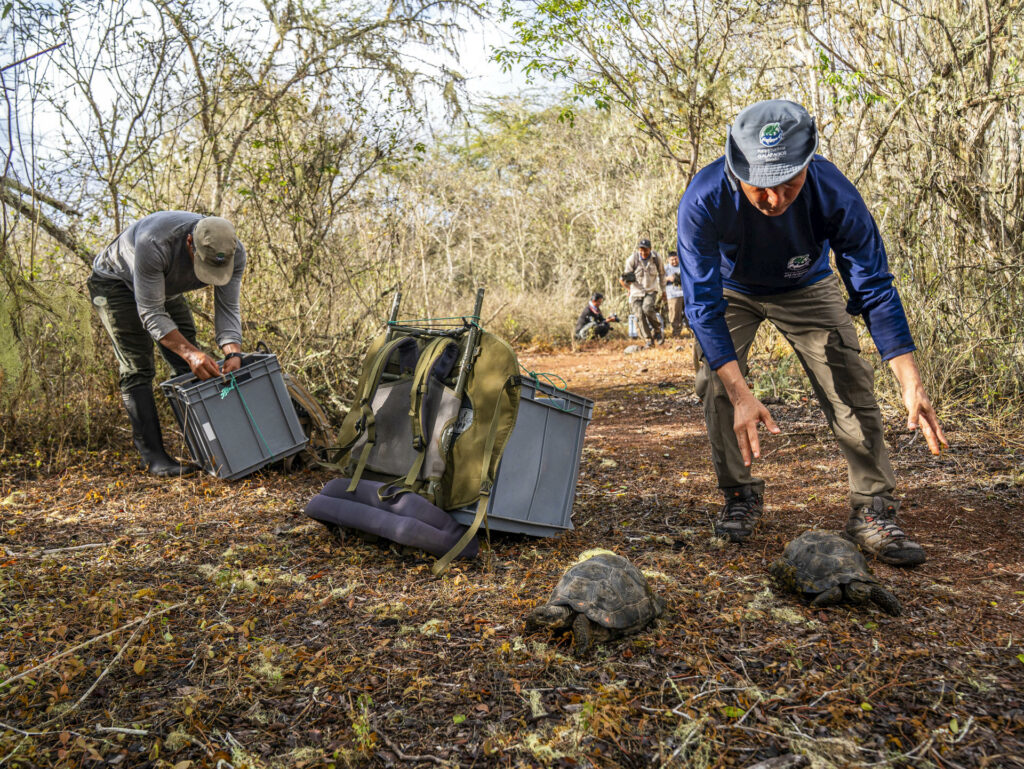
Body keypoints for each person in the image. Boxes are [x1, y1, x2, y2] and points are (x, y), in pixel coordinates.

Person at [676, 100, 947, 566]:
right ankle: (740, 494)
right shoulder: (703, 198)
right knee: (718, 384)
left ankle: (872, 507)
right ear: (736, 166)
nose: (775, 200)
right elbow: (702, 304)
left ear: (807, 165)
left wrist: (910, 380)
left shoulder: (834, 192)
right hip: (731, 288)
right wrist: (742, 392)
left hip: (806, 284)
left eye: (789, 184)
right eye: (761, 186)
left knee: (848, 378)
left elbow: (874, 285)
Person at [88, 211, 247, 477]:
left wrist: (232, 351)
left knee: (188, 362)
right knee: (137, 366)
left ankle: (209, 446)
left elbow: (228, 307)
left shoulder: (234, 251)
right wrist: (191, 353)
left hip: (165, 287)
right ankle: (154, 459)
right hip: (116, 282)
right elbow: (151, 312)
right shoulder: (155, 243)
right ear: (189, 243)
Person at [619, 238, 667, 348]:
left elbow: (662, 274)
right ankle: (648, 339)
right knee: (639, 315)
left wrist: (663, 290)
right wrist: (628, 289)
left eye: (646, 250)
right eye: (641, 250)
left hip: (651, 290)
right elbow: (622, 279)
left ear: (650, 249)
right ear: (638, 250)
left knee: (647, 308)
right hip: (636, 292)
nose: (643, 253)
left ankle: (658, 331)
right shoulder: (633, 259)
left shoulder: (656, 258)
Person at [663, 250, 688, 338]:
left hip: (686, 294)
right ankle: (676, 335)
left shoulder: (683, 266)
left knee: (689, 314)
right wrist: (668, 278)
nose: (674, 261)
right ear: (668, 260)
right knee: (675, 316)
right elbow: (659, 279)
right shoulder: (665, 269)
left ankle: (693, 333)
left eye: (675, 259)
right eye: (672, 260)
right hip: (673, 295)